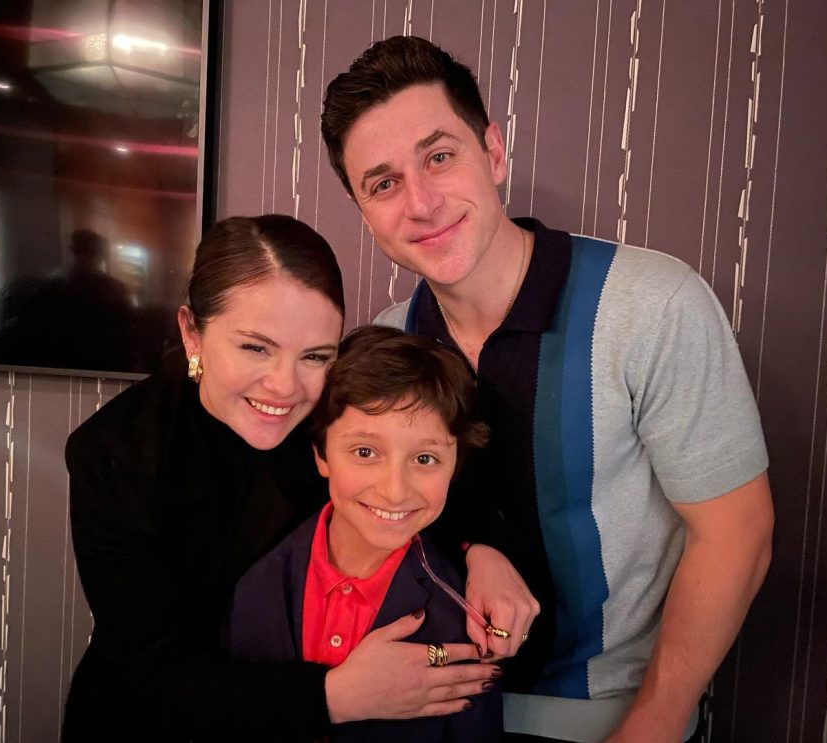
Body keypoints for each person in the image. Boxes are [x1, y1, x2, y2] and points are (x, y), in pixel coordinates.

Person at [321, 36, 774, 743]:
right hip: (428, 712)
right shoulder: (385, 341)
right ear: (363, 210)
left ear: (493, 152)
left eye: (439, 157)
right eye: (382, 184)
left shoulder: (651, 304)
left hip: (608, 715)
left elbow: (737, 533)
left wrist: (651, 725)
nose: (421, 203)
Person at [63, 214, 507, 742]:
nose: (284, 387)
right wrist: (334, 697)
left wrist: (484, 549)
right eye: (256, 347)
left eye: (314, 356)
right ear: (192, 333)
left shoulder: (331, 412)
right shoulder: (113, 453)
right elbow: (154, 679)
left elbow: (422, 464)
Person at [226, 325, 503, 741]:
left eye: (424, 458)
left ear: (455, 466)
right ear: (321, 455)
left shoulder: (468, 619)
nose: (395, 490)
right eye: (365, 452)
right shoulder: (252, 576)